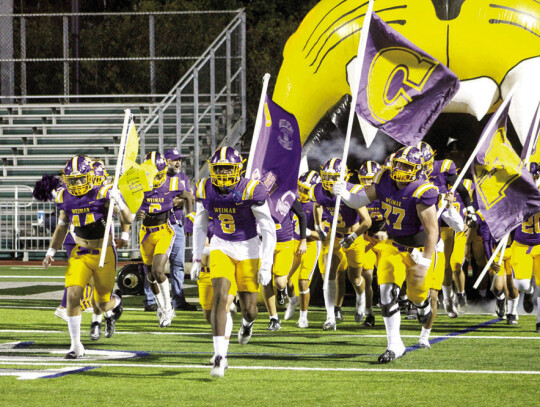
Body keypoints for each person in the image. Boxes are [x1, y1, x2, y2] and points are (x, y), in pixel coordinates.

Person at [334, 146, 439, 363]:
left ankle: (423, 305)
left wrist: (425, 263)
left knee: (416, 297)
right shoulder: (384, 180)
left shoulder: (423, 190)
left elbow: (432, 232)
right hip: (393, 246)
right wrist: (343, 193)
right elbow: (357, 201)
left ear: (417, 169)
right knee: (386, 295)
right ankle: (394, 345)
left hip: (417, 252)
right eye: (398, 163)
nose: (400, 169)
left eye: (406, 166)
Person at [191, 146, 276, 378]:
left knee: (250, 310)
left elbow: (269, 228)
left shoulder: (251, 189)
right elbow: (199, 225)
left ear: (238, 168)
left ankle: (247, 325)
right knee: (220, 298)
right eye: (219, 168)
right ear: (212, 169)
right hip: (221, 245)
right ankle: (220, 356)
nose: (224, 173)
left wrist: (266, 264)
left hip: (248, 248)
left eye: (228, 168)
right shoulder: (204, 187)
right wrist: (197, 257)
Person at [42, 155, 131, 359]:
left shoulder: (103, 192)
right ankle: (76, 346)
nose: (77, 184)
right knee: (73, 296)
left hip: (104, 253)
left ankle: (116, 302)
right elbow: (62, 226)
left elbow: (127, 219)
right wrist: (51, 252)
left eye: (81, 179)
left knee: (101, 304)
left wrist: (120, 202)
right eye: (72, 180)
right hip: (80, 252)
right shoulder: (65, 196)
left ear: (90, 177)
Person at [312, 158, 372, 330]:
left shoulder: (353, 190)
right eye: (327, 176)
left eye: (334, 177)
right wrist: (318, 226)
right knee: (329, 273)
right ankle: (330, 317)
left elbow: (367, 221)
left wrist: (352, 237)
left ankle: (360, 297)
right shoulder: (319, 190)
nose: (330, 181)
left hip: (353, 237)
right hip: (333, 235)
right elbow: (317, 205)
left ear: (344, 177)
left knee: (355, 277)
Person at [417, 141, 475, 317]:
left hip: (443, 220)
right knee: (418, 262)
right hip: (420, 220)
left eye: (423, 165)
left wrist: (470, 210)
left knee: (445, 265)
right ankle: (417, 301)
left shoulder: (443, 168)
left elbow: (462, 190)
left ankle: (447, 299)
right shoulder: (409, 173)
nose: (421, 169)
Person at [184, 212, 238, 363]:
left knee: (223, 307)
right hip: (206, 273)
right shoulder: (195, 218)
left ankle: (221, 354)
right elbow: (202, 243)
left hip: (226, 270)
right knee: (210, 316)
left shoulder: (230, 214)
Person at [137, 151, 179, 327]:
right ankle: (161, 309)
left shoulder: (173, 182)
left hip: (164, 231)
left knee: (158, 271)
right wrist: (135, 214)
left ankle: (169, 308)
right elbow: (128, 212)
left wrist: (189, 216)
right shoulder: (138, 187)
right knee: (150, 276)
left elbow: (188, 196)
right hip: (146, 233)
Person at [284, 171, 322, 328]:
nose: (301, 192)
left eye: (306, 190)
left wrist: (307, 233)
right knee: (283, 278)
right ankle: (293, 300)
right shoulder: (290, 201)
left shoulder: (317, 206)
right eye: (300, 188)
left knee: (303, 282)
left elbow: (323, 235)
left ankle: (303, 316)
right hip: (292, 242)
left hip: (310, 245)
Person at [262, 197, 307, 331]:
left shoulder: (286, 194)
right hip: (262, 242)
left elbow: (302, 215)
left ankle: (282, 289)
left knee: (280, 282)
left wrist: (303, 239)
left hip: (284, 241)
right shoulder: (255, 192)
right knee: (265, 280)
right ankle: (274, 318)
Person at [162, 148, 196, 311]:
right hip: (159, 225)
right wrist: (173, 200)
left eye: (179, 160)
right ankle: (151, 300)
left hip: (177, 225)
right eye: (174, 159)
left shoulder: (182, 177)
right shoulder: (159, 177)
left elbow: (189, 197)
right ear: (165, 161)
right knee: (156, 265)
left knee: (178, 264)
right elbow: (156, 199)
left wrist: (173, 200)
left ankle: (178, 299)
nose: (177, 162)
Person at [357, 161, 386, 327]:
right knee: (367, 277)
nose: (367, 183)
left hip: (385, 240)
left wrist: (387, 232)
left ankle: (397, 303)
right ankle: (369, 314)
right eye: (364, 179)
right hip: (367, 238)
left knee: (385, 278)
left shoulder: (385, 194)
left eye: (370, 179)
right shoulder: (359, 195)